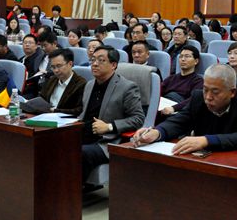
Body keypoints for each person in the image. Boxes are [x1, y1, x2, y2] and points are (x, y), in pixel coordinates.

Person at [132, 64, 237, 154]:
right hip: (210, 158)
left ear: (232, 92)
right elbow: (179, 121)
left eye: (215, 92)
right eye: (205, 90)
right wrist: (157, 132)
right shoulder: (198, 97)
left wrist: (206, 140)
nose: (208, 97)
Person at [79, 46, 144, 186]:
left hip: (107, 140)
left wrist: (109, 126)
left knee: (80, 152)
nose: (95, 64)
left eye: (101, 60)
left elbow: (138, 118)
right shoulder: (89, 85)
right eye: (93, 60)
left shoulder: (127, 87)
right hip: (83, 134)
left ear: (113, 65)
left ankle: (71, 192)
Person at [38, 48, 87, 115]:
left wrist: (56, 111)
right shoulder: (52, 80)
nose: (56, 70)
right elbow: (42, 98)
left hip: (65, 119)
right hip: (45, 116)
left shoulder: (81, 84)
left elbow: (79, 110)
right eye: (53, 67)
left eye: (59, 66)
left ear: (70, 64)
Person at [159, 45, 204, 116]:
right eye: (181, 56)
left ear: (196, 61)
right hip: (163, 108)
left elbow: (192, 100)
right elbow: (158, 92)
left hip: (180, 113)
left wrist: (173, 108)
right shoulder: (170, 78)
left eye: (187, 56)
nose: (183, 59)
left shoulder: (198, 81)